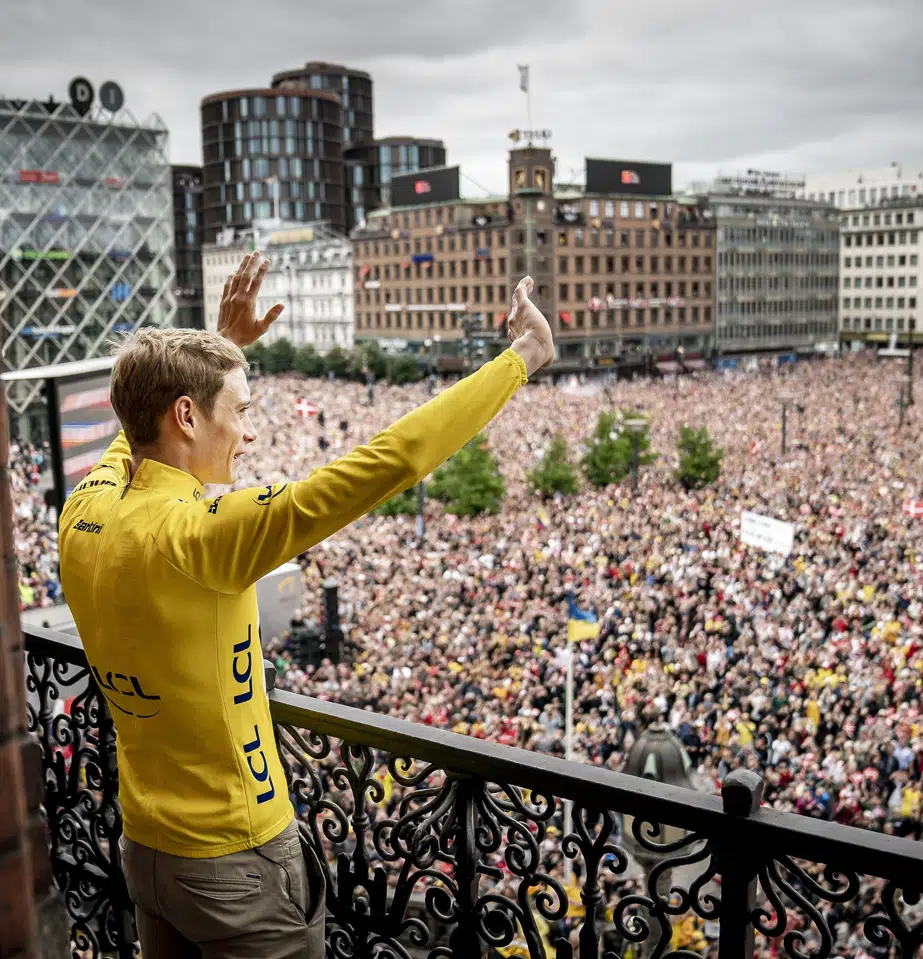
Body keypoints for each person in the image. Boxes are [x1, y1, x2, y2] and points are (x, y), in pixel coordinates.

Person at [58, 251, 554, 958]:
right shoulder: (199, 534)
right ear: (189, 416)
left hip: (145, 849)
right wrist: (521, 358)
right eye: (241, 412)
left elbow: (138, 427)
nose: (250, 433)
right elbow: (391, 460)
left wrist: (221, 349)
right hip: (236, 861)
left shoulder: (84, 509)